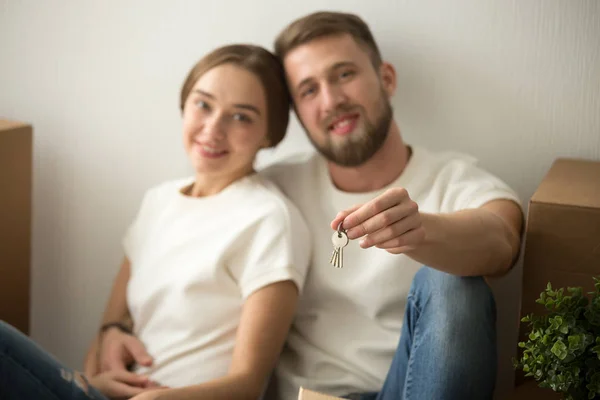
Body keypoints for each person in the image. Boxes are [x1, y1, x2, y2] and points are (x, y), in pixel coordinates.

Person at [96, 11, 524, 400]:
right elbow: (177, 233)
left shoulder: (450, 180)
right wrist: (115, 328)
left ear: (386, 78)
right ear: (296, 115)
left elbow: (503, 239)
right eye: (308, 90)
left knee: (453, 282)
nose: (330, 99)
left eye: (344, 74)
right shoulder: (274, 191)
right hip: (307, 397)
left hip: (410, 388)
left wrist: (421, 231)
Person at [0, 43, 311, 400]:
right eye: (203, 104)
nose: (213, 128)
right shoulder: (159, 201)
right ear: (184, 104)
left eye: (241, 116)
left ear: (270, 133)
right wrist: (99, 372)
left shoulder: (269, 219)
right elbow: (106, 331)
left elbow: (247, 385)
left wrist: (154, 399)